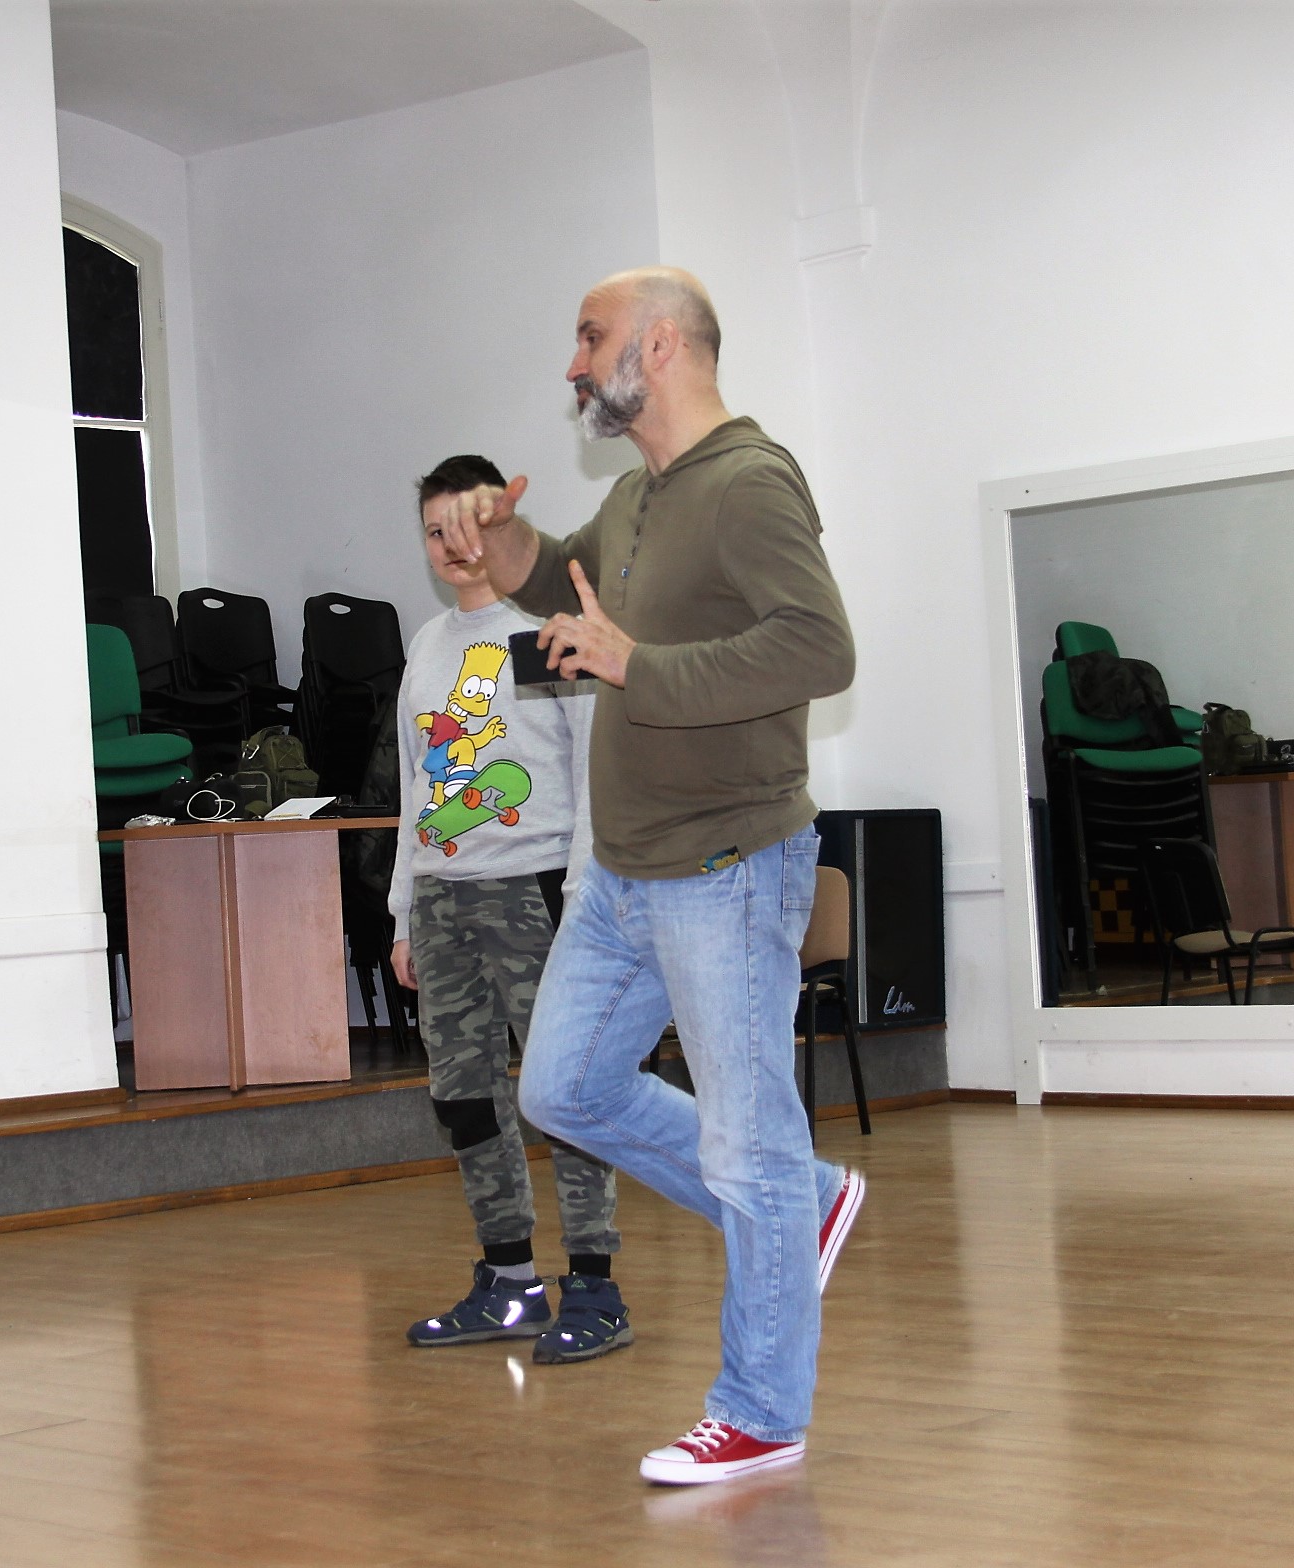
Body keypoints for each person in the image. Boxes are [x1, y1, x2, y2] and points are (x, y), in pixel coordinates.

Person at [429, 268, 865, 1485]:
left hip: (728, 862)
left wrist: (639, 665)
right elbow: (558, 567)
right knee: (562, 1086)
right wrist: (502, 542)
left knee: (746, 1144)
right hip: (626, 873)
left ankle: (761, 1409)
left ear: (660, 344)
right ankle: (805, 1203)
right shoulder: (635, 494)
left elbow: (820, 646)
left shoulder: (749, 481)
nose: (574, 363)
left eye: (592, 337)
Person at [390, 454, 632, 1364]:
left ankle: (594, 1287)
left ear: (497, 525)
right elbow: (417, 786)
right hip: (442, 898)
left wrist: (583, 897)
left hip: (536, 888)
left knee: (563, 1091)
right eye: (434, 531)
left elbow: (593, 771)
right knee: (463, 1096)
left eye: (464, 524)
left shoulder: (546, 630)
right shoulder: (425, 646)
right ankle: (508, 1282)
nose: (451, 545)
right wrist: (403, 912)